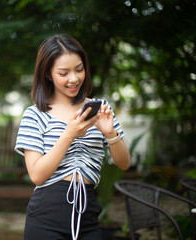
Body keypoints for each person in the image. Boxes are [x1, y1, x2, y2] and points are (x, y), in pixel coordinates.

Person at [14, 34, 131, 240]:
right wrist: (69, 134)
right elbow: (37, 176)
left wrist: (110, 133)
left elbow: (124, 163)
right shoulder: (34, 114)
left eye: (79, 69)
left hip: (88, 212)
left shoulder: (99, 109)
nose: (74, 78)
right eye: (63, 72)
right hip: (46, 215)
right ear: (48, 74)